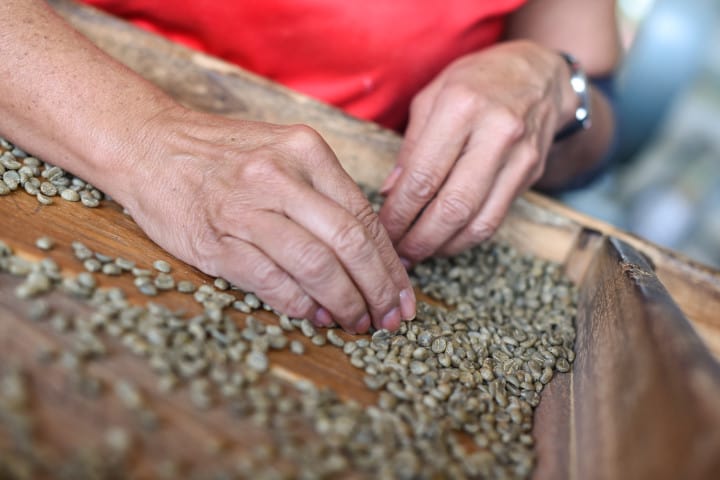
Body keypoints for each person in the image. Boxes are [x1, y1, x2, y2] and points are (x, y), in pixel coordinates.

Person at [0, 0, 619, 333]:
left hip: (359, 195)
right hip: (54, 106)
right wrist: (143, 140)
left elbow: (598, 115)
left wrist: (552, 82)